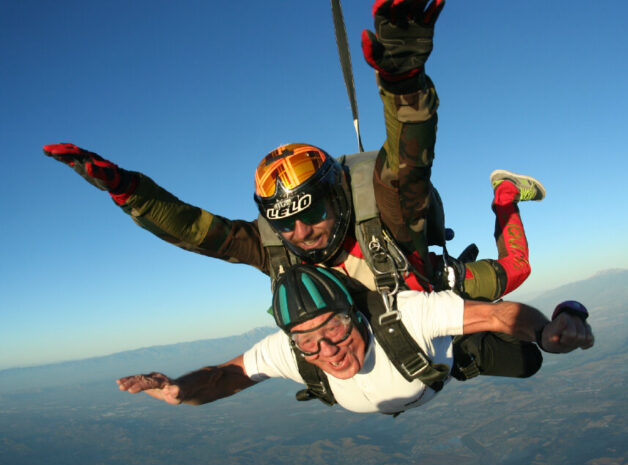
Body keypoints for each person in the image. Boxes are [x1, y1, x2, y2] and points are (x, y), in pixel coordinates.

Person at [44, 0, 545, 378]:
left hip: (430, 285)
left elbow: (408, 164)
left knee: (516, 273)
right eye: (285, 221)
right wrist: (131, 193)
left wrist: (403, 82)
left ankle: (503, 196)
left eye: (313, 212)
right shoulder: (274, 247)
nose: (301, 231)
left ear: (338, 196)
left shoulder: (387, 210)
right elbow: (199, 232)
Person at [117, 264, 594, 416]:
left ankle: (506, 203)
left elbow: (498, 314)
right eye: (309, 343)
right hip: (423, 379)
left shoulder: (403, 314)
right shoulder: (291, 350)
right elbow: (228, 376)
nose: (327, 351)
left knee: (530, 362)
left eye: (336, 331)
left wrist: (547, 333)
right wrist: (177, 389)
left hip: (452, 355)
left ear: (356, 317)